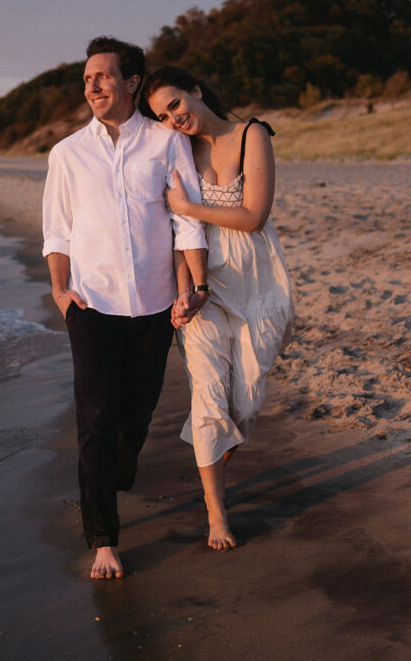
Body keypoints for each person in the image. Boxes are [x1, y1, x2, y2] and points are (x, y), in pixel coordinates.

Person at [42, 38, 208, 579]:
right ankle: (104, 539)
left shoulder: (164, 142)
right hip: (91, 305)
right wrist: (60, 293)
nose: (92, 86)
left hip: (156, 305)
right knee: (94, 420)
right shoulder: (67, 153)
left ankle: (111, 475)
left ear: (132, 83)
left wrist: (194, 284)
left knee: (136, 415)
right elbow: (57, 230)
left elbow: (186, 219)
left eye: (103, 77)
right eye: (87, 78)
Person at [142, 66, 294, 551]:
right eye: (162, 115)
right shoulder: (177, 151)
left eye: (176, 105)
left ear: (197, 91)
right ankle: (216, 512)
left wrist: (190, 208)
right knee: (209, 398)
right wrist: (186, 290)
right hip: (204, 285)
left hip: (257, 283)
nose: (173, 118)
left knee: (244, 403)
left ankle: (213, 475)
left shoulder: (251, 134)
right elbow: (178, 236)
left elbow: (253, 216)